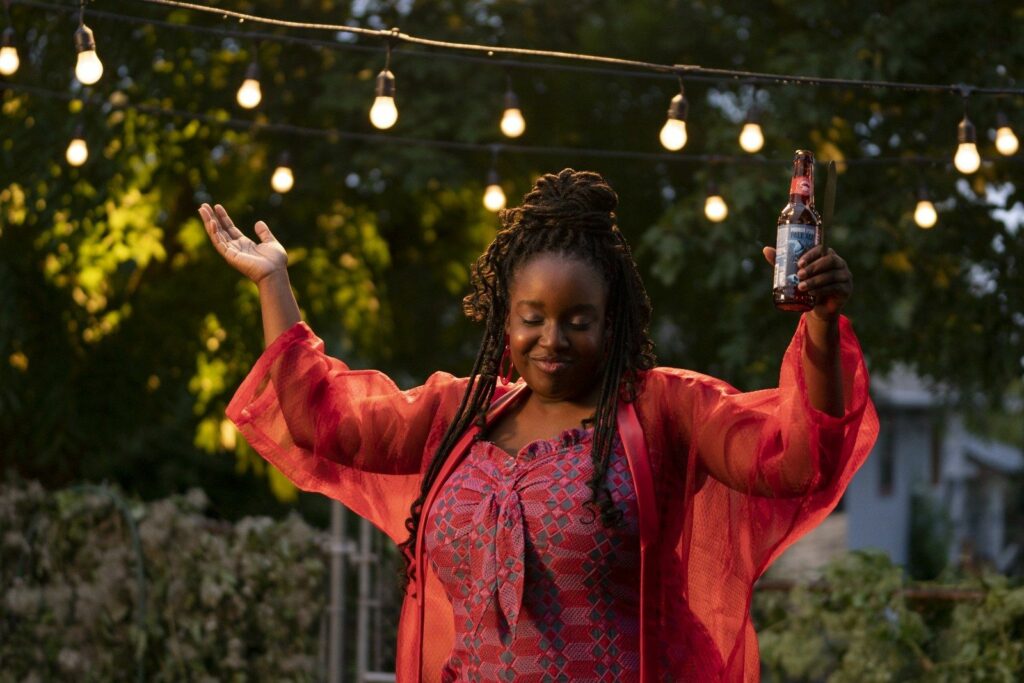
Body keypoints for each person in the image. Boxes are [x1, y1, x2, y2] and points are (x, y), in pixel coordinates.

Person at [200, 169, 878, 682]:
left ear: (613, 322)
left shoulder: (665, 409)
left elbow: (795, 457)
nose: (552, 338)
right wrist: (273, 282)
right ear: (504, 316)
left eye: (578, 319)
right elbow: (327, 422)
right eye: (532, 317)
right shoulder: (457, 414)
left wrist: (818, 321)